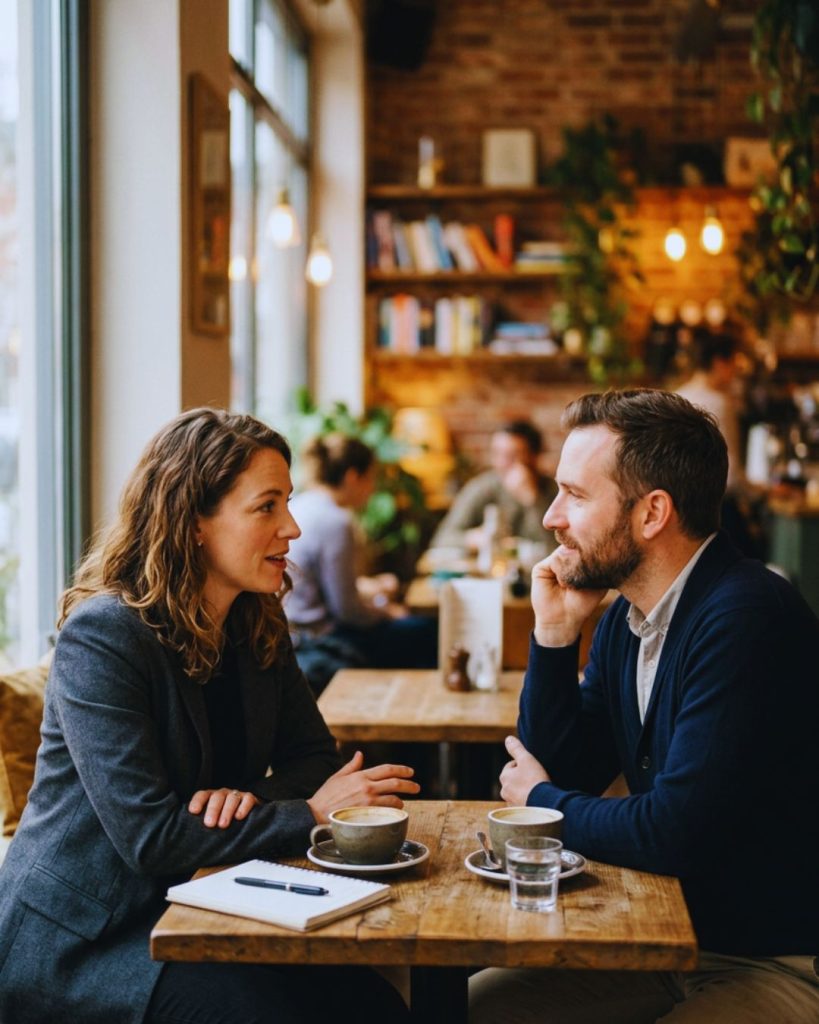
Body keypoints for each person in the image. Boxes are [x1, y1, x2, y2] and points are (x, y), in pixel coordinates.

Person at [0, 408, 417, 1024]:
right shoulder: (104, 638)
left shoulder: (255, 620)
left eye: (287, 503)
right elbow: (151, 839)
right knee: (263, 1012)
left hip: (209, 896)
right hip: (89, 937)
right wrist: (306, 814)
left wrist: (249, 798)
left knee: (371, 1000)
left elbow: (313, 760)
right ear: (194, 520)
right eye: (266, 507)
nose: (292, 527)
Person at [470, 389, 819, 1023]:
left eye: (575, 495)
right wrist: (555, 635)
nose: (551, 517)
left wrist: (542, 802)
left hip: (775, 961)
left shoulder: (746, 618)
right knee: (472, 1009)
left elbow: (672, 832)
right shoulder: (628, 620)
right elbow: (563, 770)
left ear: (653, 512)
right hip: (663, 941)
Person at [285, 433, 438, 696]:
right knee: (428, 631)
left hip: (296, 633)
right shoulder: (335, 520)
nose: (373, 488)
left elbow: (323, 585)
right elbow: (347, 611)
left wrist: (372, 590)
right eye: (371, 478)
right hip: (322, 639)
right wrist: (387, 612)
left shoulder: (301, 505)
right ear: (352, 477)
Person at [676, 329, 766, 560]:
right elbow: (730, 475)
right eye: (734, 363)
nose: (736, 372)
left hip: (682, 513)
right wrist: (761, 493)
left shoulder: (677, 397)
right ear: (718, 362)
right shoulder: (719, 403)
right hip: (717, 512)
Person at [429, 420, 559, 554]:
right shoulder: (483, 487)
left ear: (534, 457)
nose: (501, 463)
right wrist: (472, 539)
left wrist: (532, 499)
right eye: (497, 454)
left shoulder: (553, 491)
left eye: (512, 456)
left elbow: (556, 547)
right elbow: (442, 539)